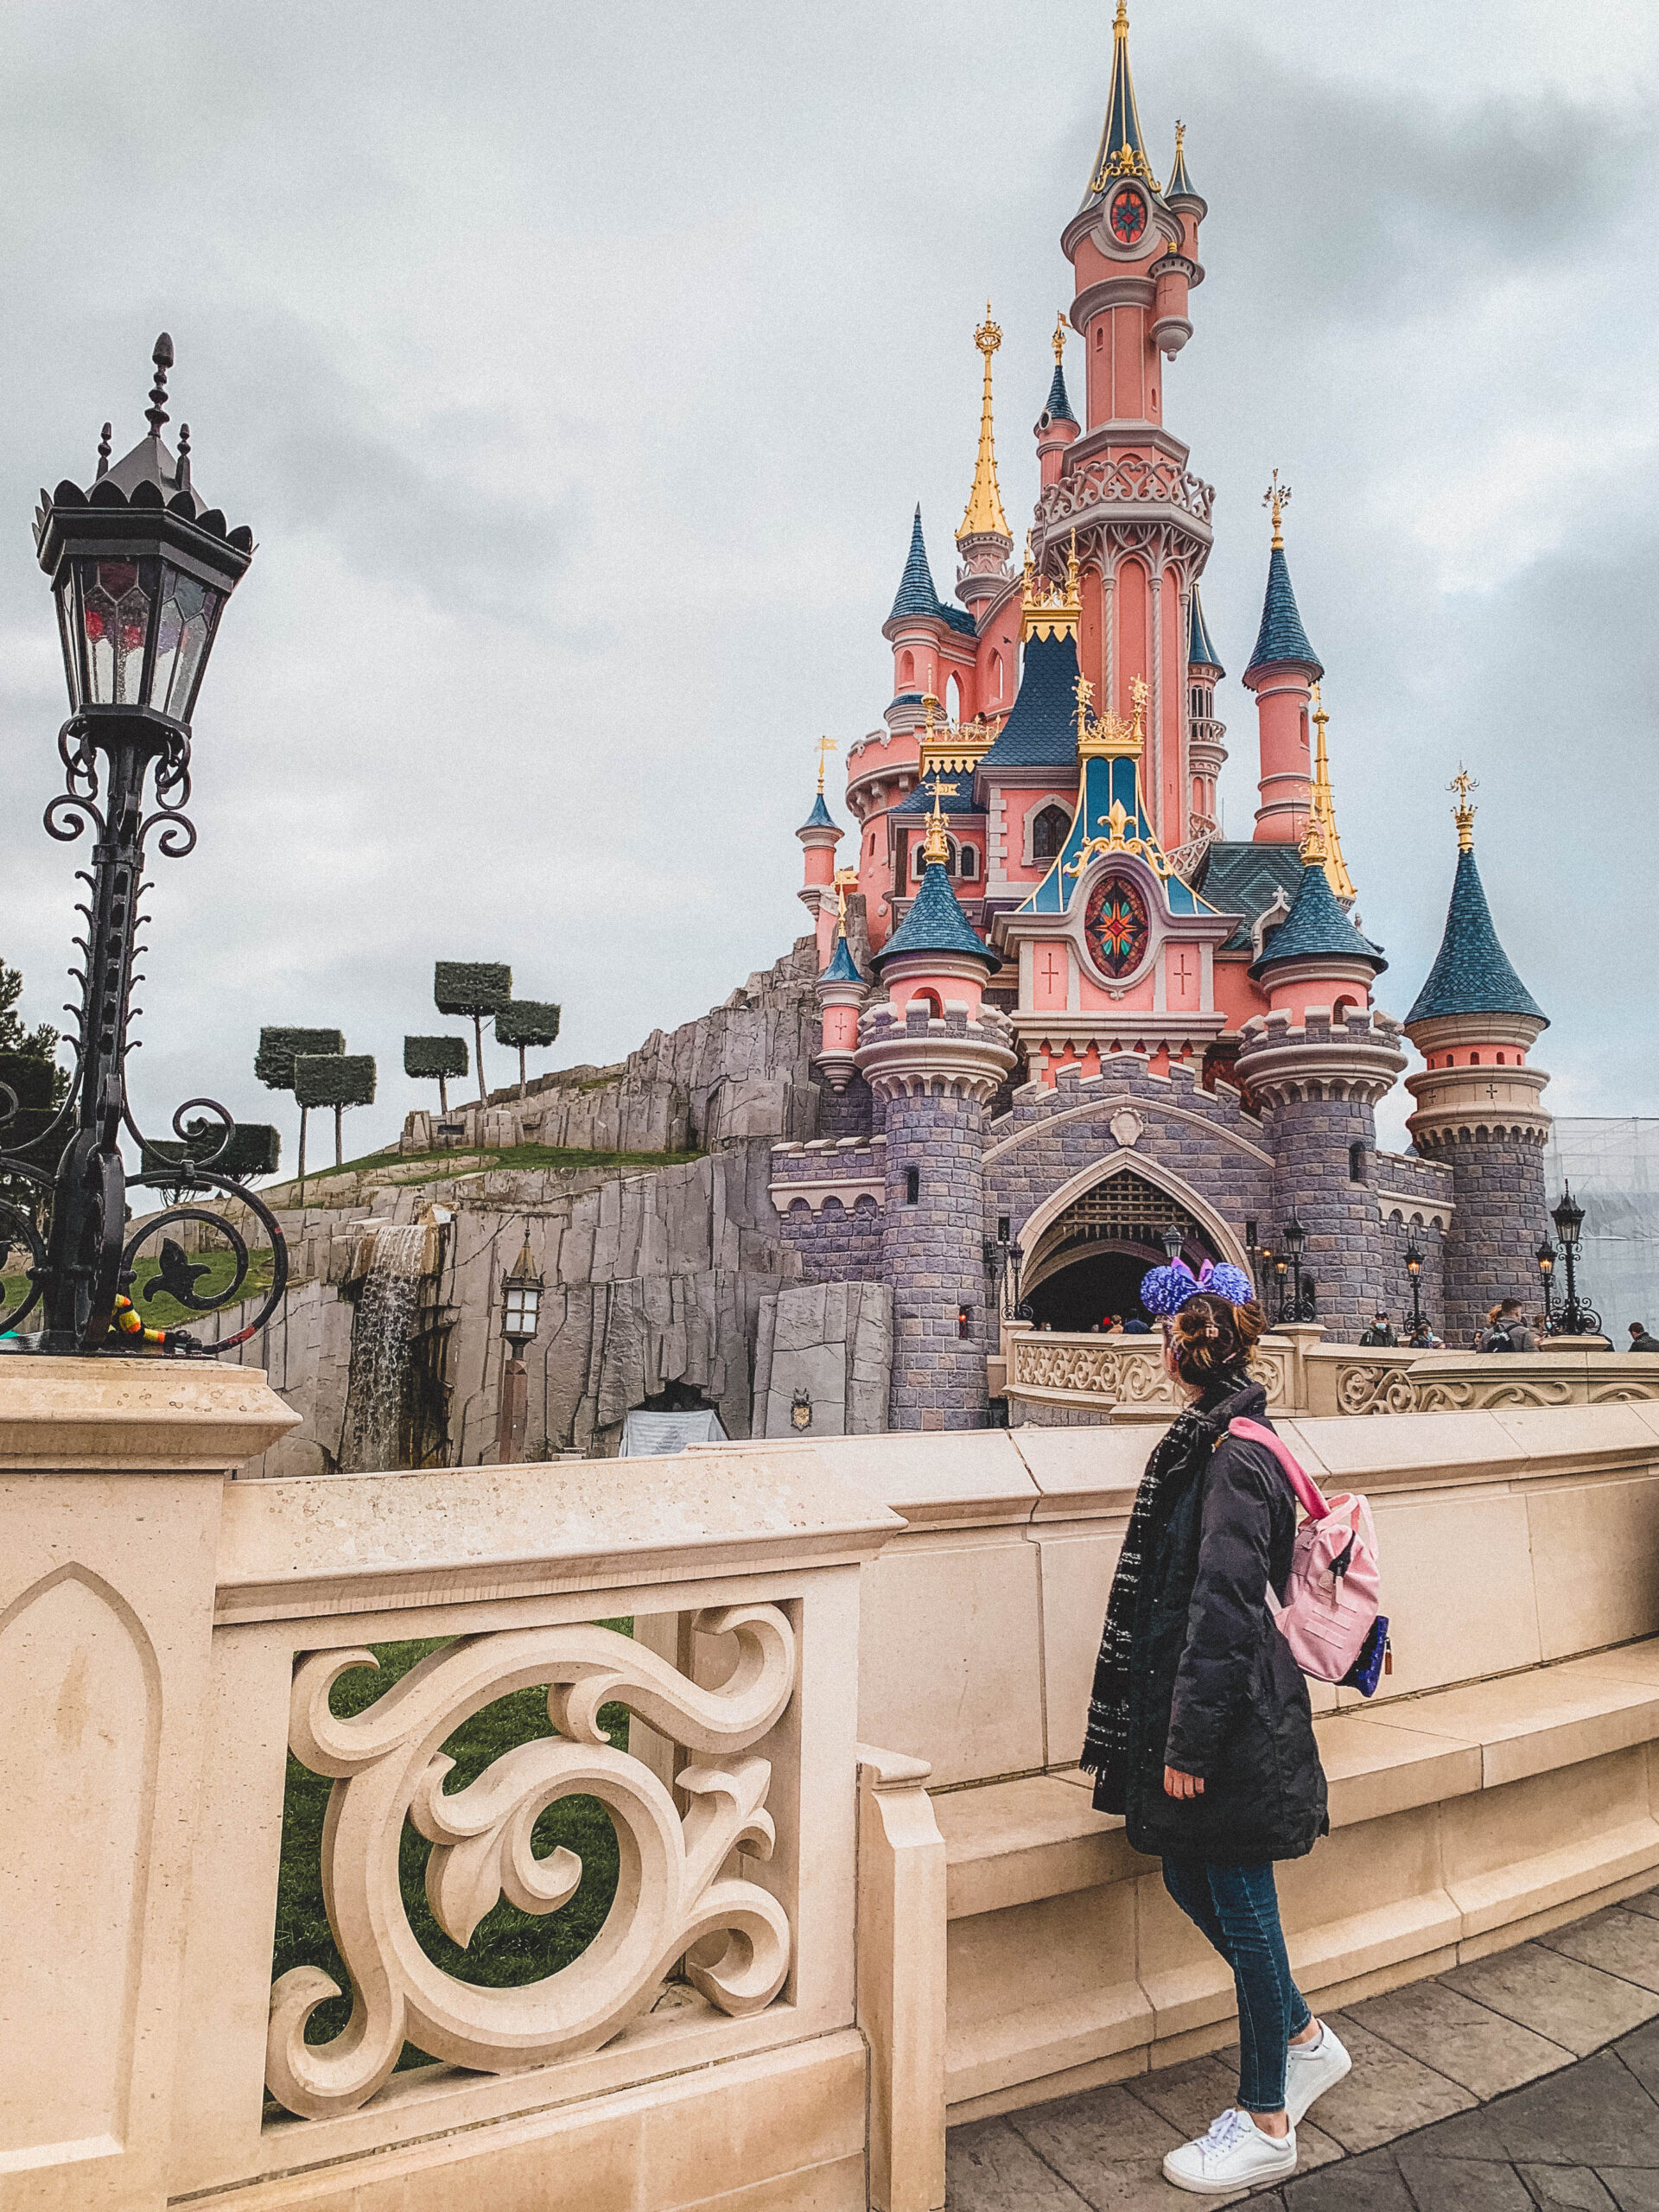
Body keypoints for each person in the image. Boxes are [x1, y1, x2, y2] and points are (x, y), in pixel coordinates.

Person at [1081, 1270, 1350, 2191]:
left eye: (1161, 1340)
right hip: (1213, 1708)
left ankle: (1268, 2115)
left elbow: (1227, 1607)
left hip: (1233, 1723)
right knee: (1191, 1876)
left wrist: (1189, 1746)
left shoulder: (1233, 1455)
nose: (1155, 1355)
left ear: (1181, 1354)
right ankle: (1305, 2036)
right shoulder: (1214, 1442)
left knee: (1240, 1899)